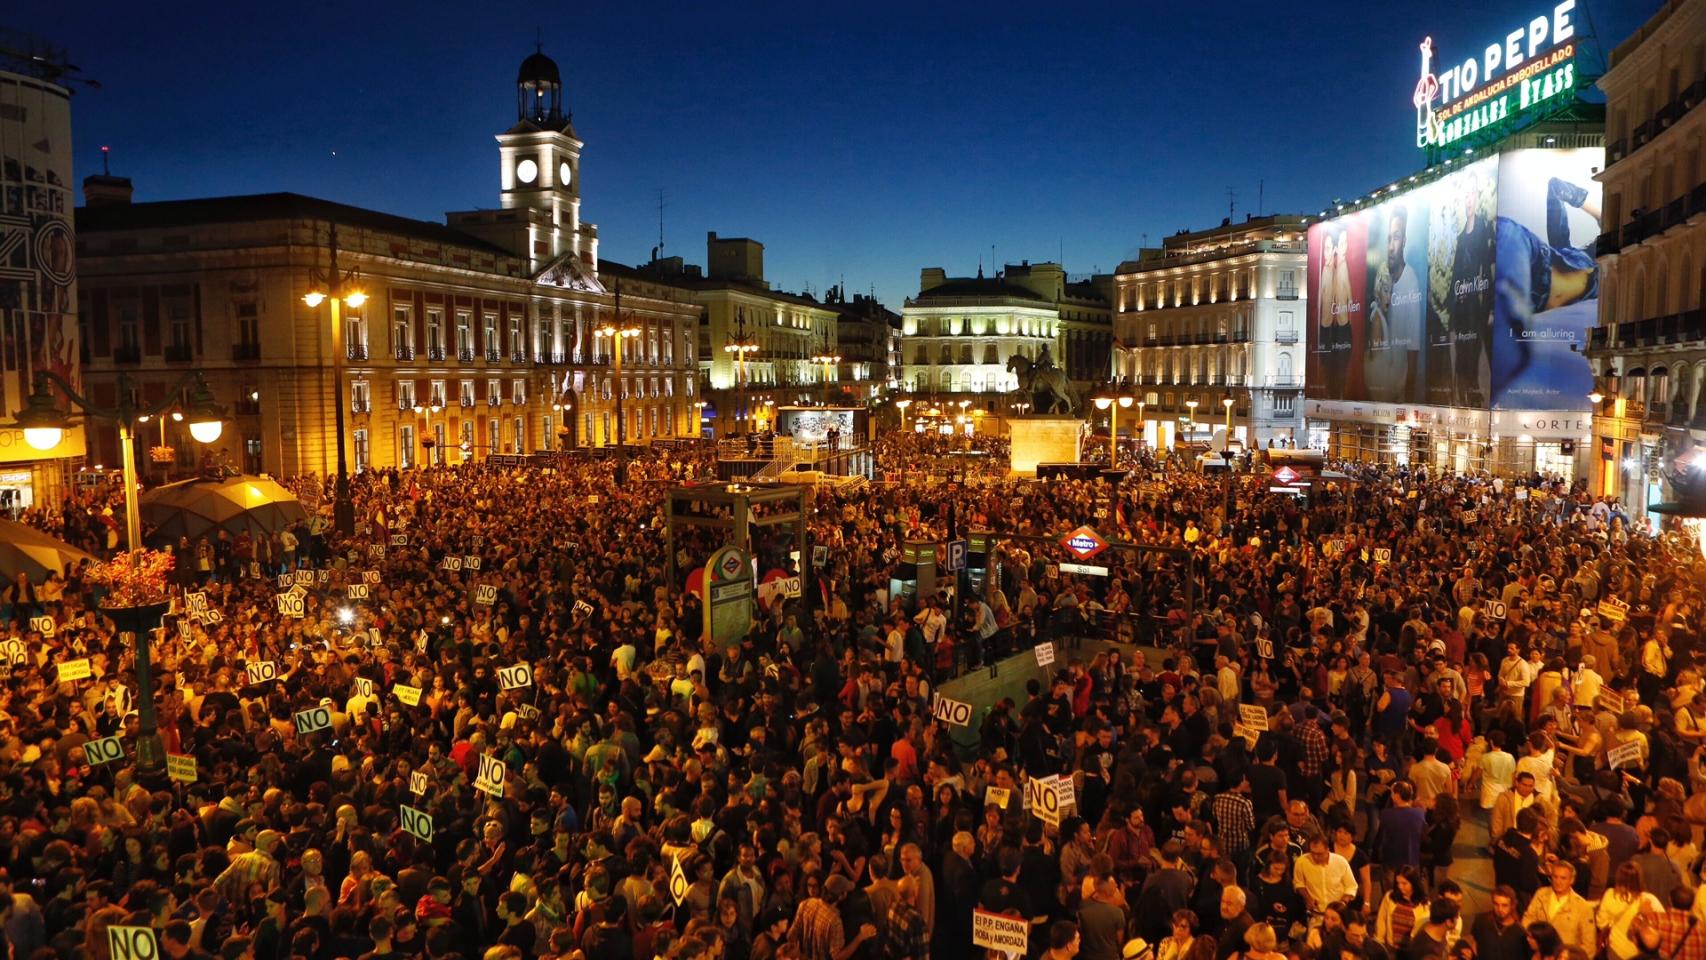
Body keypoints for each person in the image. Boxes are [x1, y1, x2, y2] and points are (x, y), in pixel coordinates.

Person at [1519, 861, 1596, 956]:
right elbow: (1528, 918)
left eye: (1563, 878)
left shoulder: (1582, 907)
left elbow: (1589, 945)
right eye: (1555, 877)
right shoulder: (1541, 895)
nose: (1558, 881)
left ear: (1572, 880)